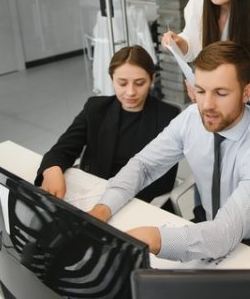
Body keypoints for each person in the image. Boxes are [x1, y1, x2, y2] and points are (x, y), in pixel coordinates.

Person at [88, 41, 250, 261]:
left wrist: (157, 238)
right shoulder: (192, 117)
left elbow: (224, 234)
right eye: (201, 91)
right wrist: (103, 208)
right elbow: (144, 165)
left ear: (246, 92)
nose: (206, 105)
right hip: (207, 223)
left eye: (221, 93)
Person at [35, 45, 179, 203]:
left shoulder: (168, 116)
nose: (130, 92)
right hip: (95, 195)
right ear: (112, 80)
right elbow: (63, 149)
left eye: (139, 83)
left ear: (151, 80)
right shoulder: (96, 108)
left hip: (141, 202)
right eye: (122, 83)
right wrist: (52, 169)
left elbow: (162, 181)